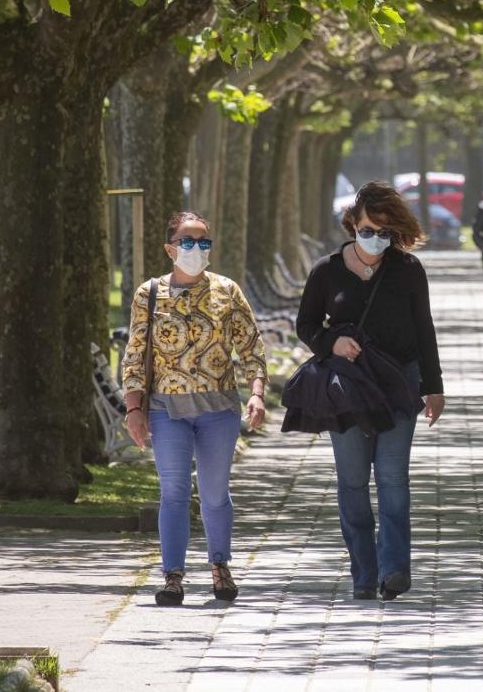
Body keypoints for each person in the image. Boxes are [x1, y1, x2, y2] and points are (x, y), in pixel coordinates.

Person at [295, 181, 445, 601]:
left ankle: (395, 569)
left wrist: (433, 387)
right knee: (353, 482)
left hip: (401, 385)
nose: (375, 238)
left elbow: (424, 329)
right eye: (367, 229)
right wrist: (332, 344)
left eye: (384, 231)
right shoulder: (327, 270)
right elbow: (306, 324)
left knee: (393, 478)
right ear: (351, 224)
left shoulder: (408, 269)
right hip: (348, 390)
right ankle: (364, 572)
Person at [122, 211, 269, 607]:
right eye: (188, 242)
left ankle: (220, 566)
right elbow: (135, 356)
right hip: (166, 411)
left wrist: (256, 393)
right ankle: (173, 576)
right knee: (173, 492)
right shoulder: (148, 294)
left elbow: (252, 347)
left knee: (214, 493)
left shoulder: (226, 291)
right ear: (171, 248)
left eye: (204, 242)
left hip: (218, 410)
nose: (196, 249)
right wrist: (134, 410)